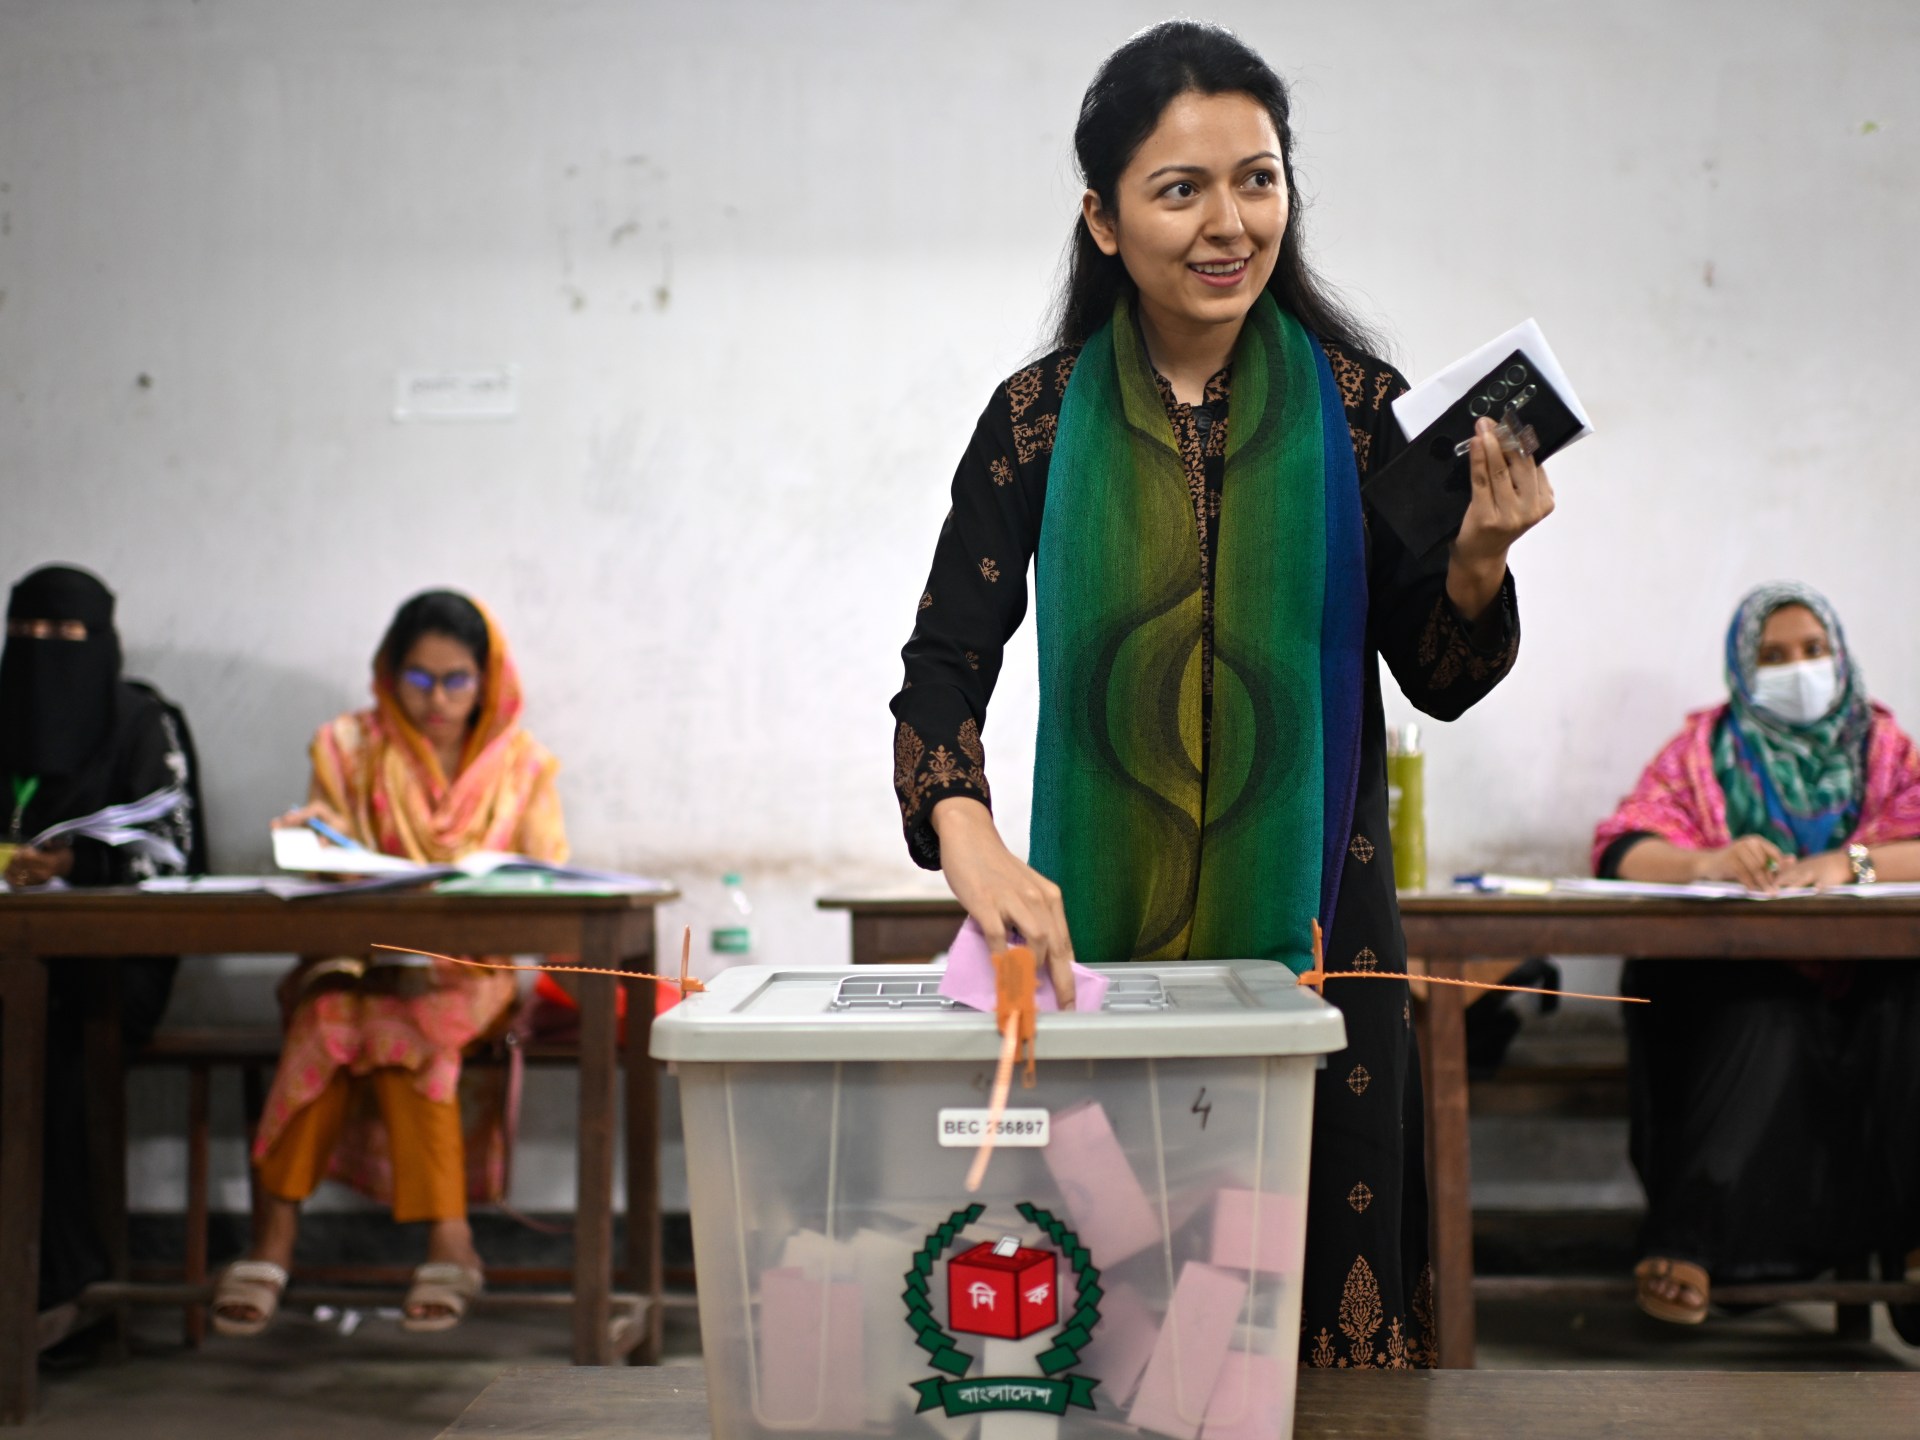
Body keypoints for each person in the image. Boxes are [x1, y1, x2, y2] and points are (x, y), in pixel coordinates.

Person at [889, 21, 1551, 1367]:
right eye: (1180, 189)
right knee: (1112, 1337)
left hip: (1324, 938)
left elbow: (1440, 673)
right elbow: (943, 666)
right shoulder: (1036, 419)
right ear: (1103, 218)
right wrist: (971, 841)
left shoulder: (1364, 412)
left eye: (1258, 179)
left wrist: (1478, 558)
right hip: (1090, 953)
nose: (1228, 223)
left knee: (1324, 1349)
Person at [212, 590, 567, 1337]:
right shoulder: (347, 747)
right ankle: (280, 1238)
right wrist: (317, 841)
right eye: (419, 679)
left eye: (456, 680)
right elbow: (326, 864)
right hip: (358, 961)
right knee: (328, 1015)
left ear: (486, 679)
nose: (437, 700)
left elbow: (548, 877)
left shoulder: (523, 766)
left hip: (468, 970)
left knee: (408, 1019)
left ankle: (446, 1238)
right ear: (389, 673)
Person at [1593, 582, 1920, 1329]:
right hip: (1741, 985)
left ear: (1840, 655)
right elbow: (1619, 847)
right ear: (1742, 667)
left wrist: (1849, 864)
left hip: (1868, 986)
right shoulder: (1705, 753)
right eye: (1773, 656)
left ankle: (1915, 1244)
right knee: (1763, 1014)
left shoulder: (1886, 750)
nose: (1799, 668)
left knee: (1909, 1004)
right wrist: (1707, 861)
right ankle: (1691, 1240)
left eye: (1813, 649)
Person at [0, 563, 203, 1316]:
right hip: (11, 956)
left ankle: (61, 1290)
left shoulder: (142, 724)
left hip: (110, 972)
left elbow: (175, 858)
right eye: (25, 632)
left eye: (63, 633)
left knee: (43, 1042)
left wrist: (76, 864)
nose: (43, 647)